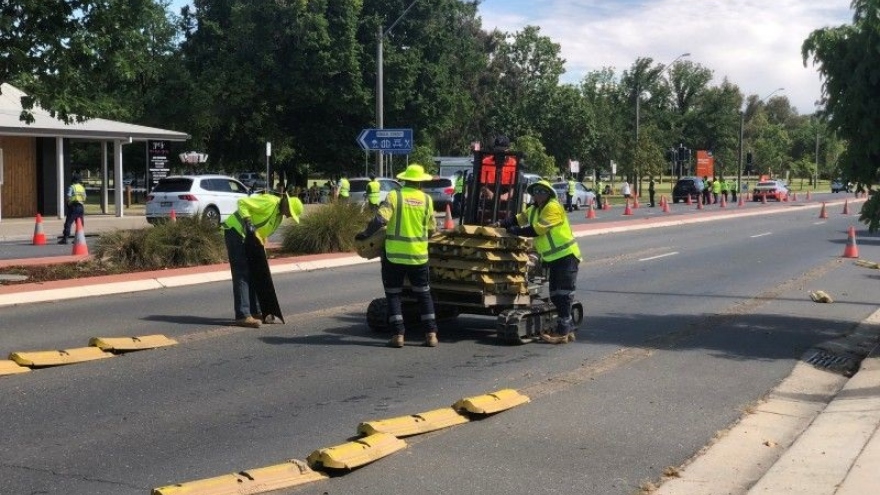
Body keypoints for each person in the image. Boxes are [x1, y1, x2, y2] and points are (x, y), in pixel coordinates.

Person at [356, 164, 439, 348]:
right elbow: (433, 229)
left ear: (405, 180)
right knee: (424, 295)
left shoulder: (395, 196)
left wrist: (365, 234)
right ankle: (431, 335)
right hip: (419, 256)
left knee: (394, 295)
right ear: (420, 183)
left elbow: (380, 219)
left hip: (394, 257)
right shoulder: (426, 200)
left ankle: (398, 336)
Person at [496, 179, 581, 344]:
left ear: (548, 193)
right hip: (553, 258)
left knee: (564, 295)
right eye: (536, 192)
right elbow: (518, 218)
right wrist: (501, 223)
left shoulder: (553, 207)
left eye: (542, 192)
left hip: (566, 255)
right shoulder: (534, 209)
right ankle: (568, 330)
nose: (538, 195)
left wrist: (516, 231)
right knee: (556, 295)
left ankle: (563, 332)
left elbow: (538, 229)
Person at [222, 191, 304, 328]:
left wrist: (261, 247)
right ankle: (242, 315)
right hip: (236, 231)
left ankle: (255, 311)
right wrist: (247, 221)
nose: (289, 216)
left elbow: (262, 231)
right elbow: (242, 203)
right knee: (242, 273)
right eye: (290, 213)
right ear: (287, 206)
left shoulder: (279, 216)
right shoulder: (270, 202)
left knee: (255, 272)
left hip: (248, 238)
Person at [59, 172, 87, 244]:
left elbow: (68, 196)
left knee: (68, 223)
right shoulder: (82, 188)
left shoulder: (72, 187)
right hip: (81, 207)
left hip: (74, 206)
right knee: (80, 224)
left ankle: (65, 239)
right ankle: (78, 238)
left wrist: (68, 203)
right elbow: (84, 197)